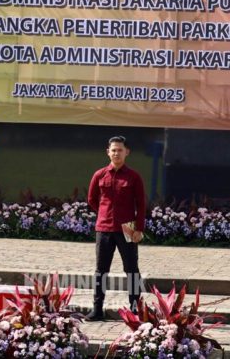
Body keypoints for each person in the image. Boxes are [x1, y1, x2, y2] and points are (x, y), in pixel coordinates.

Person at [85, 135, 146, 321]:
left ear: (127, 152)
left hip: (127, 227)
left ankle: (135, 310)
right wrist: (104, 214)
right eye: (113, 150)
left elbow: (141, 204)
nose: (116, 153)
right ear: (108, 152)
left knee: (132, 269)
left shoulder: (134, 177)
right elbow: (92, 199)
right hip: (104, 228)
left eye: (120, 150)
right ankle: (97, 309)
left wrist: (138, 228)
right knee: (101, 270)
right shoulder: (99, 175)